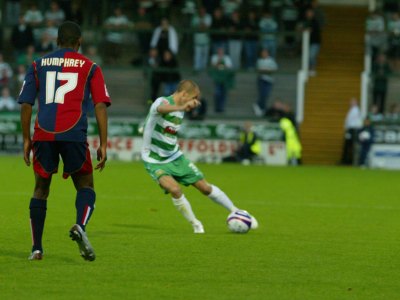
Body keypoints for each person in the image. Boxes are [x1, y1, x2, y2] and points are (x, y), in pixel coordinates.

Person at [18, 21, 111, 261]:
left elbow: (26, 104)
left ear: (57, 40)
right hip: (73, 133)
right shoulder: (90, 67)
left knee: (40, 189)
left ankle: (36, 249)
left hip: (44, 133)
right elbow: (100, 104)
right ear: (79, 42)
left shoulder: (38, 65)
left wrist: (27, 139)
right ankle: (80, 225)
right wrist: (103, 142)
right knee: (86, 186)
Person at [141, 79, 258, 233]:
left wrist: (184, 107)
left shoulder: (182, 109)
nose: (195, 102)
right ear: (184, 94)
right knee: (175, 190)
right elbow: (162, 109)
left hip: (175, 156)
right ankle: (196, 224)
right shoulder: (162, 101)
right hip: (154, 159)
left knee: (205, 187)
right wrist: (182, 106)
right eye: (194, 98)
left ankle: (236, 211)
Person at [253, 48, 278, 117]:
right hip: (262, 79)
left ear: (267, 53)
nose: (264, 54)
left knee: (266, 94)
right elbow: (260, 69)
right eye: (263, 53)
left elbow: (274, 69)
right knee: (262, 94)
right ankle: (261, 107)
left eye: (265, 52)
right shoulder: (259, 60)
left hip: (269, 80)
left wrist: (266, 70)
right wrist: (267, 70)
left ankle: (260, 106)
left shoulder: (271, 60)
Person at [341, 98, 363, 165]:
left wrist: (348, 129)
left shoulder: (355, 110)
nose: (350, 103)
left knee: (349, 146)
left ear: (356, 103)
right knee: (348, 146)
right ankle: (347, 160)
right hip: (351, 130)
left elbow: (352, 122)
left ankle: (348, 161)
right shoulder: (352, 110)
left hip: (353, 130)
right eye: (351, 102)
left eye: (352, 102)